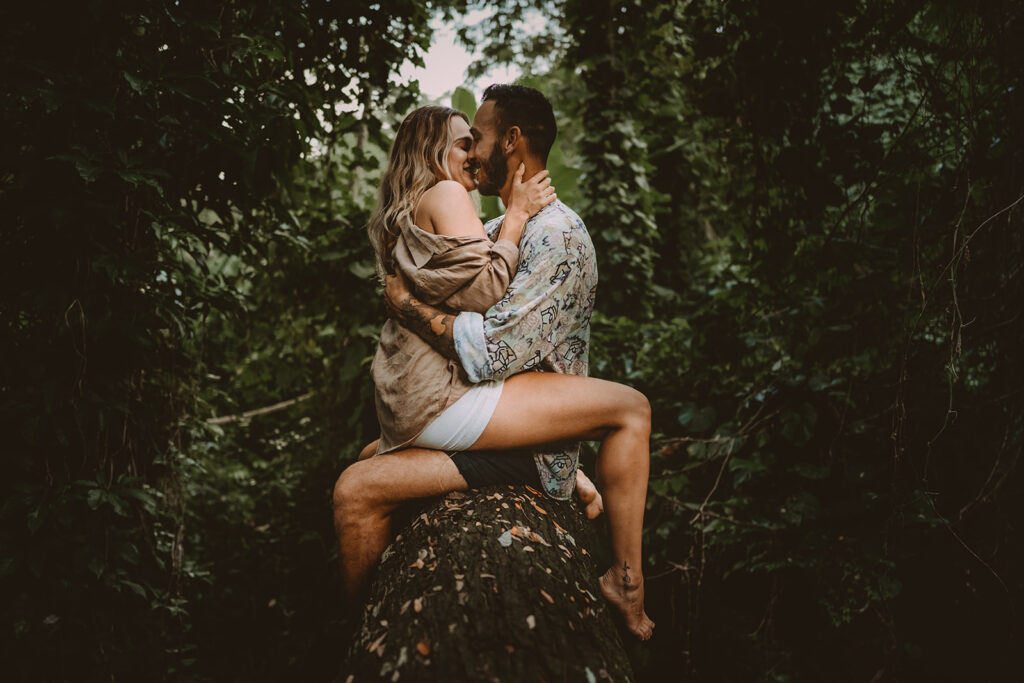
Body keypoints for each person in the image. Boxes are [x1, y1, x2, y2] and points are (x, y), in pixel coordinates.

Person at [334, 85, 654, 640]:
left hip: (512, 420)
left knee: (633, 410)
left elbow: (491, 352)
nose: (471, 153)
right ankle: (366, 635)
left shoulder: (556, 236)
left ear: (511, 141)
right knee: (367, 460)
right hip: (496, 414)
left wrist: (408, 307)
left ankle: (626, 580)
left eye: (477, 139)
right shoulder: (493, 228)